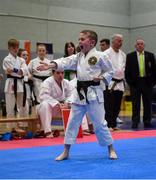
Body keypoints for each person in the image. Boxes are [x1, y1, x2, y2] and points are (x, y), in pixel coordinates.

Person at [37, 30, 117, 161]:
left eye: (82, 39)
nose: (79, 41)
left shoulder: (101, 56)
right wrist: (50, 65)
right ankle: (66, 151)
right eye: (79, 39)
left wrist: (102, 77)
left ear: (91, 42)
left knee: (100, 123)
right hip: (79, 93)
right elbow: (65, 61)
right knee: (72, 122)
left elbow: (110, 71)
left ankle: (111, 148)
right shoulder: (78, 56)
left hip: (93, 93)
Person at [125, 38, 156, 129]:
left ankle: (147, 121)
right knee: (135, 103)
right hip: (135, 83)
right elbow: (127, 71)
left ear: (144, 45)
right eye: (138, 44)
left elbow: (155, 70)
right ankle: (135, 121)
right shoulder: (130, 56)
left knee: (147, 103)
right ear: (135, 46)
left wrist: (153, 82)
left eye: (141, 44)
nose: (140, 45)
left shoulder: (150, 55)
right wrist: (130, 82)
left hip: (147, 82)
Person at [37, 69, 73, 138]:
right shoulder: (47, 82)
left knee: (77, 104)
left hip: (63, 107)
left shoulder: (66, 82)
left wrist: (67, 102)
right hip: (51, 108)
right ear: (53, 73)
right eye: (58, 73)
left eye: (62, 73)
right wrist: (57, 104)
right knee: (44, 104)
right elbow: (43, 96)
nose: (60, 75)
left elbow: (72, 94)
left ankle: (81, 129)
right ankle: (47, 131)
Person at [3, 39, 28, 130]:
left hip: (20, 84)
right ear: (9, 48)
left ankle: (22, 126)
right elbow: (12, 72)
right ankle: (11, 128)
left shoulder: (21, 59)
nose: (16, 49)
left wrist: (15, 70)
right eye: (13, 47)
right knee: (10, 107)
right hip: (10, 84)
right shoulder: (6, 59)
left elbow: (25, 71)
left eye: (17, 47)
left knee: (22, 106)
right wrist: (19, 71)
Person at [104, 34, 126, 131]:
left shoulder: (123, 54)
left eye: (121, 41)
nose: (120, 43)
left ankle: (114, 124)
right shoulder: (106, 53)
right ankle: (108, 124)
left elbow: (123, 68)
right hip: (110, 82)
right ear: (113, 42)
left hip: (120, 83)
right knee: (109, 104)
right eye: (118, 41)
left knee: (117, 104)